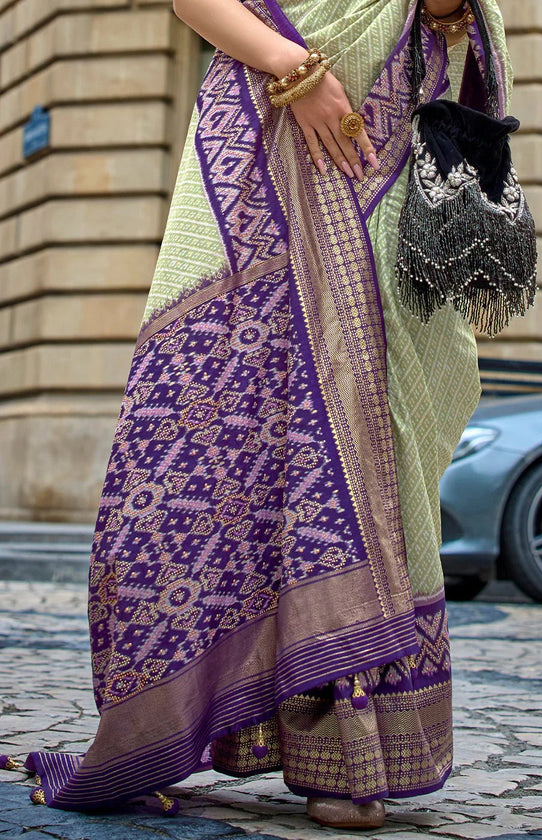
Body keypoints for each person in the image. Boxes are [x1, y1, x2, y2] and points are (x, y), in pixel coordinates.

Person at [18, 0, 512, 830]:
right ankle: (215, 721)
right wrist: (297, 72)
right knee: (217, 435)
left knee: (374, 446)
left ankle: (352, 756)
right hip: (265, 151)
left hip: (385, 163)